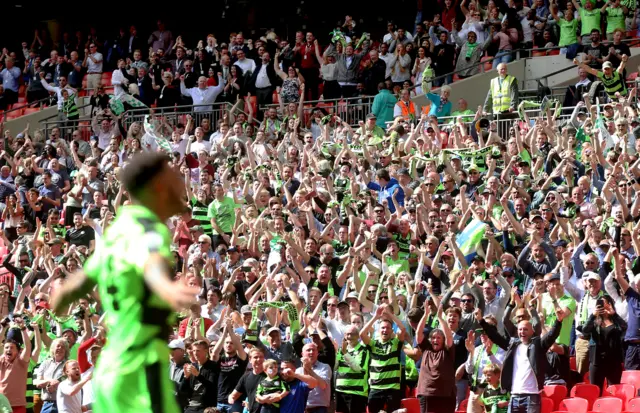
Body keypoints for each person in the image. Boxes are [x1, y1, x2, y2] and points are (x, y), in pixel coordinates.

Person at [51, 152, 200, 413]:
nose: (180, 179)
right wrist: (167, 287)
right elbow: (149, 261)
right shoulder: (150, 228)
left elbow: (80, 282)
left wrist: (61, 296)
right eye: (173, 176)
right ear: (157, 187)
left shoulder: (118, 231)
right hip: (140, 370)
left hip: (110, 370)